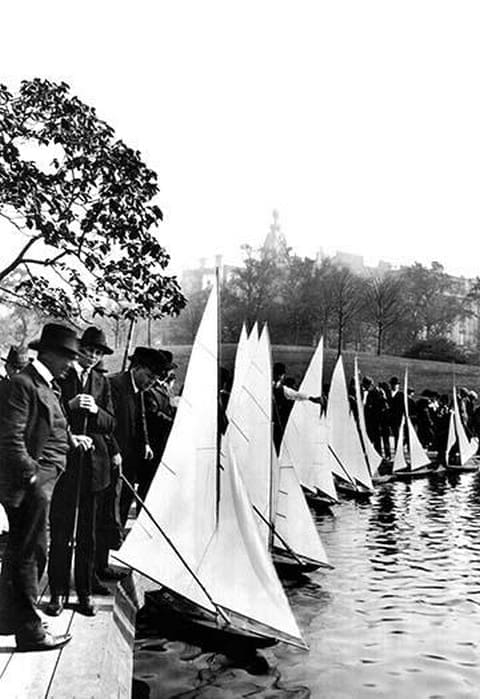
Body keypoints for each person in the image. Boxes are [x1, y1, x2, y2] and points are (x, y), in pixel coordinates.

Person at [0, 323, 92, 651]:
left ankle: (9, 618)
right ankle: (30, 634)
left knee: (26, 552)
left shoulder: (47, 384)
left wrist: (70, 439)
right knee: (31, 554)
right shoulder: (21, 384)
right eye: (67, 356)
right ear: (49, 354)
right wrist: (33, 478)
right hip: (31, 485)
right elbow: (10, 438)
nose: (72, 363)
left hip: (46, 480)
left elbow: (54, 422)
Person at [46, 327, 117, 617]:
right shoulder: (62, 376)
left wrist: (95, 410)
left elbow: (111, 423)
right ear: (78, 349)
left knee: (88, 534)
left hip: (94, 468)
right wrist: (71, 406)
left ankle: (84, 592)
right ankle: (58, 593)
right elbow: (50, 411)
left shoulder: (103, 382)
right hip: (66, 464)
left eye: (98, 353)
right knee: (61, 531)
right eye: (88, 350)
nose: (92, 356)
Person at [109, 347, 171, 526]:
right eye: (150, 376)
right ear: (136, 368)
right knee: (113, 500)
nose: (152, 382)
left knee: (125, 499)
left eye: (156, 379)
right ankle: (112, 535)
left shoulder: (139, 388)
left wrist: (145, 443)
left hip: (131, 454)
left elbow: (141, 417)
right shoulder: (115, 384)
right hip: (114, 454)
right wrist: (114, 450)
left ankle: (118, 533)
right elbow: (106, 424)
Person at [272, 361, 323, 454]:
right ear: (282, 375)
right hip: (278, 424)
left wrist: (310, 398)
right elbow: (296, 395)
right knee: (277, 447)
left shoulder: (269, 387)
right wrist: (311, 398)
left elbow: (295, 394)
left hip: (269, 423)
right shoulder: (281, 389)